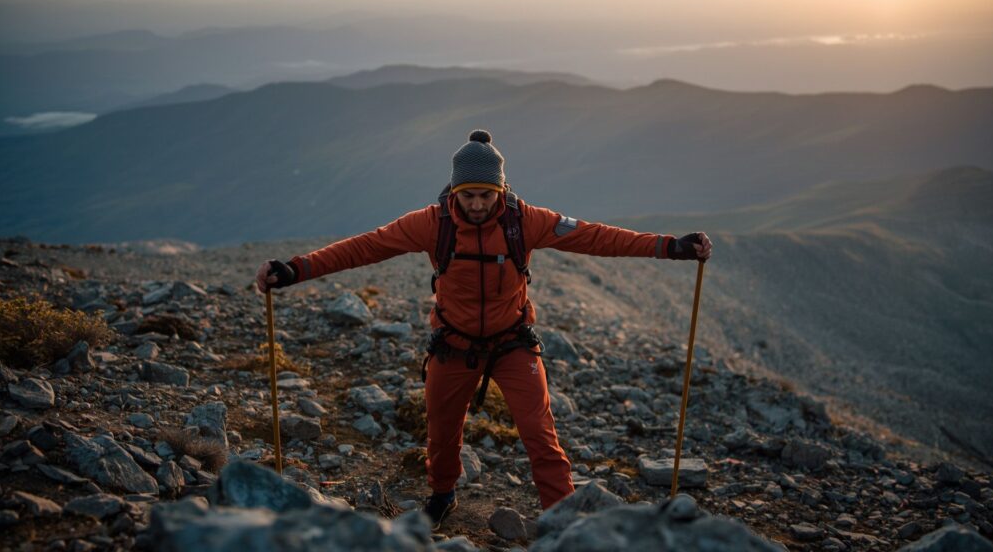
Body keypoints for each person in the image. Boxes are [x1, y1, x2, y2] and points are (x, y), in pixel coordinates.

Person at [256, 129, 712, 529]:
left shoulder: (525, 221)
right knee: (441, 430)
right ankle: (442, 496)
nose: (476, 204)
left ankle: (566, 522)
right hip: (452, 343)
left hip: (513, 342)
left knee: (538, 432)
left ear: (501, 190)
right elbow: (365, 247)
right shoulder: (430, 224)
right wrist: (295, 270)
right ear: (455, 190)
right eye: (468, 195)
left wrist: (670, 247)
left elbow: (596, 236)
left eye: (485, 195)